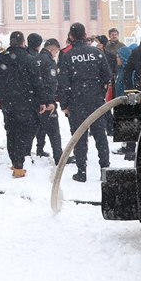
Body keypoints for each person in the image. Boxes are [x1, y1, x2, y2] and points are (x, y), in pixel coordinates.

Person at [58, 22, 111, 182]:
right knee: (100, 135)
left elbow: (63, 83)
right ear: (86, 35)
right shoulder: (97, 53)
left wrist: (64, 104)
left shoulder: (67, 56)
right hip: (95, 100)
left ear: (71, 37)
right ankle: (105, 169)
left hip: (77, 101)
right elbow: (107, 77)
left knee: (79, 136)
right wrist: (99, 93)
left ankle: (82, 171)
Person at [0, 31, 48, 178]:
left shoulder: (1, 59)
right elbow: (37, 82)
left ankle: (15, 161)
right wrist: (42, 100)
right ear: (23, 43)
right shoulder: (29, 59)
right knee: (25, 132)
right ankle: (19, 164)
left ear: (10, 43)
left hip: (8, 103)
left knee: (11, 131)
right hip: (26, 103)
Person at [33, 36, 64, 162]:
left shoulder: (34, 58)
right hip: (46, 100)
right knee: (54, 130)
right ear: (52, 49)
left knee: (38, 126)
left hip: (34, 100)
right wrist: (50, 101)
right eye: (56, 52)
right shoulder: (49, 61)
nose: (56, 55)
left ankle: (39, 150)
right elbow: (50, 83)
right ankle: (58, 156)